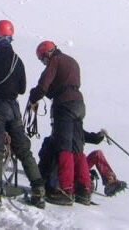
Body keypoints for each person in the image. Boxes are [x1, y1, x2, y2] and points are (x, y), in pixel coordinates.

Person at [0, 20, 45, 210]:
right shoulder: (17, 60)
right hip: (14, 109)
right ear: (11, 37)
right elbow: (22, 89)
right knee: (23, 149)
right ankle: (39, 190)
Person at [28, 41, 89, 205]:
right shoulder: (72, 61)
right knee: (78, 148)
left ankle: (65, 189)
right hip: (79, 104)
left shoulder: (55, 61)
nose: (44, 63)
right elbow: (64, 84)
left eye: (43, 59)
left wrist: (33, 98)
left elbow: (44, 85)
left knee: (64, 148)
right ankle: (84, 190)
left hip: (64, 105)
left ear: (47, 54)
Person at [38, 129, 128, 199]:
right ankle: (85, 183)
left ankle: (110, 183)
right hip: (66, 171)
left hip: (76, 166)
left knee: (97, 154)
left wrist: (100, 135)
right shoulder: (62, 134)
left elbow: (90, 137)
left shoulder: (74, 129)